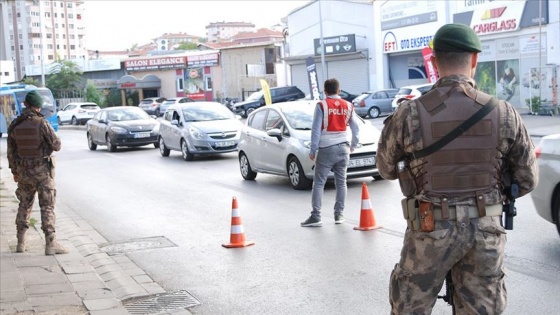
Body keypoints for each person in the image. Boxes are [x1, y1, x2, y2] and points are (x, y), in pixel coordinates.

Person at [376, 23, 538, 314]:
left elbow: (386, 169)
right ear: (474, 60)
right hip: (485, 233)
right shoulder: (504, 112)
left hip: (429, 230)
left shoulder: (409, 113)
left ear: (435, 62)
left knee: (409, 307)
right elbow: (527, 178)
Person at [7, 90, 69, 255]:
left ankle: (21, 243)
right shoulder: (42, 123)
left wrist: (14, 171)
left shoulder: (15, 125)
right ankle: (50, 244)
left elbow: (11, 152)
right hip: (42, 172)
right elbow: (56, 145)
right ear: (39, 107)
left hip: (23, 173)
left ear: (25, 104)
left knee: (24, 205)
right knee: (47, 206)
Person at [301, 78, 360, 227]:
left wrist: (313, 150)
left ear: (325, 91)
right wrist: (353, 145)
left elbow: (316, 130)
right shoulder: (348, 105)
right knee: (341, 183)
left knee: (319, 183)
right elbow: (356, 128)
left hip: (326, 148)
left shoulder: (322, 105)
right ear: (339, 91)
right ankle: (339, 215)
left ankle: (316, 216)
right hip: (344, 147)